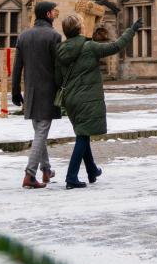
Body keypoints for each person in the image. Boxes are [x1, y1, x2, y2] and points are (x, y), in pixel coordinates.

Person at [54, 13, 141, 189]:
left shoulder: (60, 50)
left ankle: (92, 170)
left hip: (70, 99)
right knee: (83, 137)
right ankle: (71, 177)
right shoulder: (89, 47)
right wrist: (131, 31)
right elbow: (116, 46)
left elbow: (57, 78)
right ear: (79, 29)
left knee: (82, 132)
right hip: (87, 98)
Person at [11, 1, 61, 189]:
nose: (56, 14)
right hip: (48, 91)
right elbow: (58, 68)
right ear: (48, 14)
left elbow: (17, 68)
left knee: (39, 130)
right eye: (54, 11)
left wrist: (15, 90)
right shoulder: (54, 36)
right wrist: (62, 88)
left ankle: (46, 169)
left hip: (30, 90)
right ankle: (30, 174)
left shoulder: (24, 36)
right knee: (41, 132)